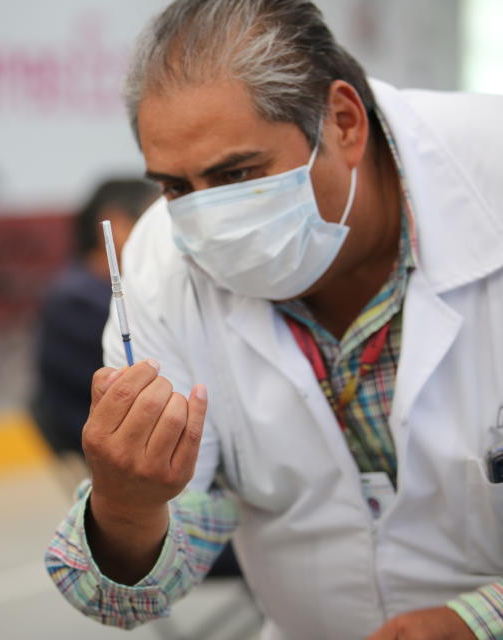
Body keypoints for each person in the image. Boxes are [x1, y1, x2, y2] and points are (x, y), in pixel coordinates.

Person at [45, 2, 503, 639]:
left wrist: (479, 622)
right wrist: (127, 506)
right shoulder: (162, 265)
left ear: (343, 122)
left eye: (239, 174)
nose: (209, 220)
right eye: (176, 187)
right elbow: (124, 603)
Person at [30, 178, 158, 459]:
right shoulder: (77, 301)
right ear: (116, 225)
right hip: (98, 434)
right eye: (154, 224)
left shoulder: (125, 287)